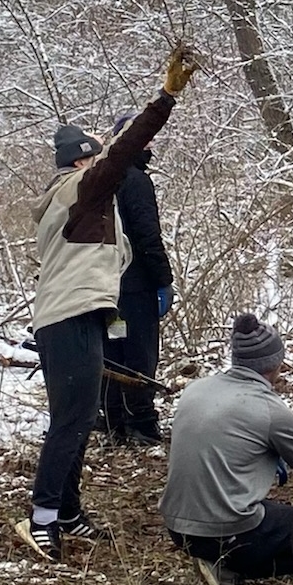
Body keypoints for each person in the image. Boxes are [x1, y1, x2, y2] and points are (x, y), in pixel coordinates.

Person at [28, 44, 197, 557]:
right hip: (69, 316)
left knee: (78, 417)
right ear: (83, 161)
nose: (104, 160)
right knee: (70, 421)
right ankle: (42, 517)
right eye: (95, 154)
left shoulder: (71, 198)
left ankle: (70, 510)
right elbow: (124, 152)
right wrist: (165, 98)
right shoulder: (84, 188)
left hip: (75, 315)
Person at [159, 313, 293, 585]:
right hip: (229, 534)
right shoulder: (271, 410)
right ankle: (229, 565)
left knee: (273, 512)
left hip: (177, 528)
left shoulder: (195, 389)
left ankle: (216, 557)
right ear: (276, 364)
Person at [101, 119, 173, 445]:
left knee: (115, 351)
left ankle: (116, 423)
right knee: (140, 354)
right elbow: (148, 236)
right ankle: (142, 425)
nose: (149, 144)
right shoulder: (135, 182)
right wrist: (163, 281)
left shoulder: (101, 179)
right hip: (136, 289)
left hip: (108, 290)